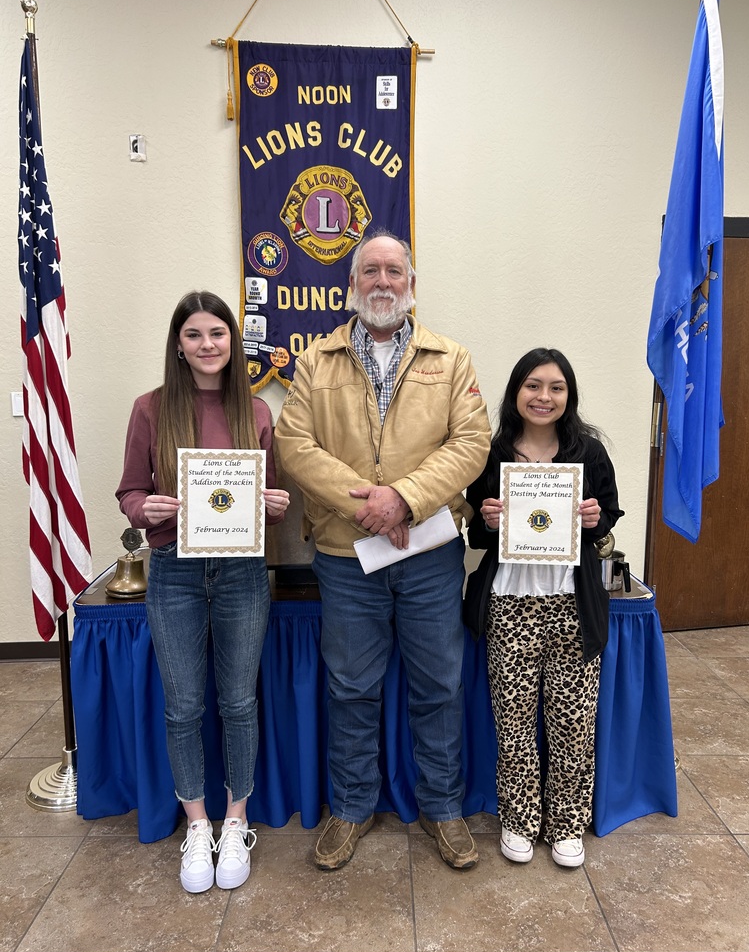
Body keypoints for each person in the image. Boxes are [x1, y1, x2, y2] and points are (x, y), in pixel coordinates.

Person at [275, 231, 491, 871]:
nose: (383, 282)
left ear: (412, 284)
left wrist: (402, 497)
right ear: (352, 283)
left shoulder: (450, 360)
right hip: (347, 558)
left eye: (394, 271)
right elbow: (295, 446)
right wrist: (366, 505)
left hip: (428, 554)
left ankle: (444, 810)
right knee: (350, 687)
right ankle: (350, 807)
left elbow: (470, 443)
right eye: (370, 270)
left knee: (438, 685)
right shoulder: (316, 361)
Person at [116, 290, 290, 894]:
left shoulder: (258, 412)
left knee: (239, 702)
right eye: (195, 335)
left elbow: (265, 506)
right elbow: (130, 493)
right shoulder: (150, 408)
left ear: (232, 342)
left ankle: (235, 820)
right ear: (179, 345)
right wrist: (148, 508)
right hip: (175, 570)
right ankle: (197, 825)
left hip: (242, 571)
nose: (208, 344)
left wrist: (275, 504)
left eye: (218, 333)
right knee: (184, 706)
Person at [464, 348, 623, 868]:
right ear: (516, 392)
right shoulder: (493, 455)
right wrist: (487, 520)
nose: (544, 397)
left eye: (556, 387)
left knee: (573, 722)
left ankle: (567, 824)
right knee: (513, 720)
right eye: (533, 386)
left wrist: (595, 521)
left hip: (573, 604)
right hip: (511, 603)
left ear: (569, 396)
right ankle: (518, 818)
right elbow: (478, 534)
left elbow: (605, 533)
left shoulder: (590, 454)